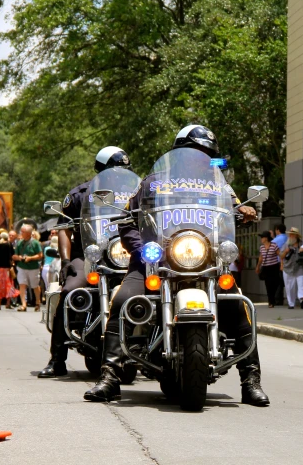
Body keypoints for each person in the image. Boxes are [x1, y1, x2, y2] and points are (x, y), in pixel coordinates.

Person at [84, 125, 269, 407]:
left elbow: (233, 209)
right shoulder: (153, 182)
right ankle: (109, 377)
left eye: (206, 154)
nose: (201, 158)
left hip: (205, 260)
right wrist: (142, 251)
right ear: (180, 153)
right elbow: (127, 219)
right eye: (196, 152)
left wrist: (244, 210)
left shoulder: (218, 184)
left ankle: (251, 381)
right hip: (157, 261)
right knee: (122, 300)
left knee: (238, 307)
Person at [38, 146, 132, 378]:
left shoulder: (136, 192)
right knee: (70, 290)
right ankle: (57, 358)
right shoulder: (81, 193)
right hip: (89, 255)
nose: (118, 175)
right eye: (113, 170)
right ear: (101, 170)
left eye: (123, 171)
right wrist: (67, 260)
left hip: (125, 253)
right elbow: (64, 228)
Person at [13, 224, 43, 312]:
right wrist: (19, 258)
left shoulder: (35, 243)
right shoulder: (19, 243)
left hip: (33, 268)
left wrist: (30, 258)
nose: (21, 233)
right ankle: (23, 304)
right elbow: (14, 255)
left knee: (35, 286)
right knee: (22, 284)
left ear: (28, 233)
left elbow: (40, 255)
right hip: (22, 267)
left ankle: (37, 302)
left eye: (23, 232)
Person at [280, 227, 303, 309]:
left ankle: (302, 299)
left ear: (296, 236)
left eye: (292, 235)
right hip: (288, 268)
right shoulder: (286, 244)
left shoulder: (302, 244)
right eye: (290, 234)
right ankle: (291, 303)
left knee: (301, 283)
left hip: (300, 267)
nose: (290, 236)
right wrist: (286, 251)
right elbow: (281, 256)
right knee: (289, 287)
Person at [256, 231, 281, 308]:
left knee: (275, 283)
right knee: (268, 285)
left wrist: (282, 264)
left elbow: (279, 254)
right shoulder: (262, 247)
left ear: (266, 238)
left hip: (274, 267)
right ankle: (271, 301)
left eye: (262, 237)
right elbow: (261, 258)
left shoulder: (274, 245)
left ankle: (272, 299)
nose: (261, 239)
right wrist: (258, 266)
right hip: (266, 268)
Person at [271, 224, 287, 306]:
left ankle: (277, 299)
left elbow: (271, 248)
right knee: (284, 281)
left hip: (277, 262)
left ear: (277, 230)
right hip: (287, 262)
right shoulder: (287, 238)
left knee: (277, 282)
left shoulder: (275, 240)